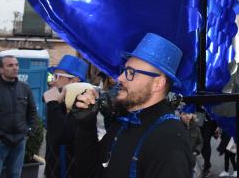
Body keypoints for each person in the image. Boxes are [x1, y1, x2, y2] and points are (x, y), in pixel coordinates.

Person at [73, 32, 193, 178]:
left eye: (131, 72)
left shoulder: (170, 140)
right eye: (124, 70)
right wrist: (86, 126)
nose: (120, 78)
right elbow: (91, 172)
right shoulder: (125, 122)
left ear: (158, 83)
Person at [0, 55, 38, 178]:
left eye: (16, 65)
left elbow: (32, 112)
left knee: (15, 175)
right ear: (1, 69)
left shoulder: (25, 88)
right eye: (10, 65)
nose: (15, 68)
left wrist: (28, 132)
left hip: (19, 142)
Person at [43, 54, 89, 178]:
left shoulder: (84, 106)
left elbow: (62, 135)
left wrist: (52, 104)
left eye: (58, 76)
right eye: (53, 76)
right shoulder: (61, 103)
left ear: (75, 80)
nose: (53, 81)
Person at [179, 111, 203, 177]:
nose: (187, 116)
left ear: (192, 114)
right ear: (180, 115)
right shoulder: (177, 127)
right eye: (184, 114)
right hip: (181, 160)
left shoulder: (196, 127)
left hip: (193, 160)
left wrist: (196, 152)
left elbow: (200, 142)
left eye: (189, 113)